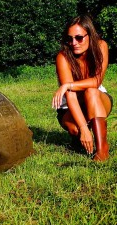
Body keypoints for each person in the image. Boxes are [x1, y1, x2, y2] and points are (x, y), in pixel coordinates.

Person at [52, 14, 113, 161]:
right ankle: (80, 137)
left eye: (79, 38)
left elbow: (96, 81)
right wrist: (84, 129)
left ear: (90, 35)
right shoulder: (63, 57)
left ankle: (102, 150)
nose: (74, 43)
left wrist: (68, 85)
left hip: (97, 99)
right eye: (69, 39)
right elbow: (71, 96)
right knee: (76, 129)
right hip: (70, 107)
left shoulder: (101, 46)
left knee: (91, 91)